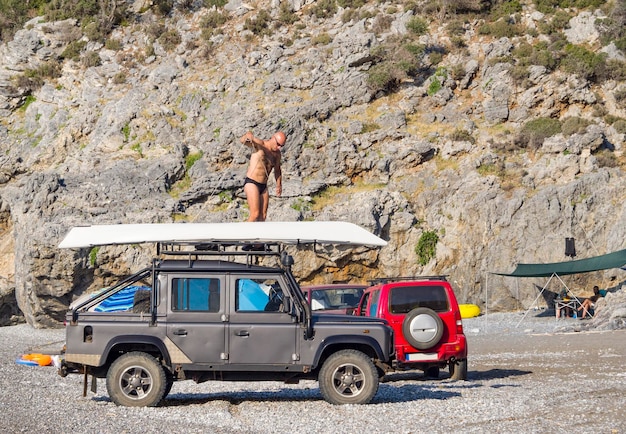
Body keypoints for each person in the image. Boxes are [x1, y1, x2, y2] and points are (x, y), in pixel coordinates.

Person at [239, 130, 285, 222]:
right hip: (252, 183)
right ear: (273, 138)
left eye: (281, 146)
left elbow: (277, 170)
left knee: (262, 216)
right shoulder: (260, 145)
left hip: (263, 186)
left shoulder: (277, 154)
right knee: (255, 214)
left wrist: (279, 185)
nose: (279, 147)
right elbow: (243, 141)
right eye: (278, 144)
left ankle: (257, 235)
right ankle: (242, 234)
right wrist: (247, 136)